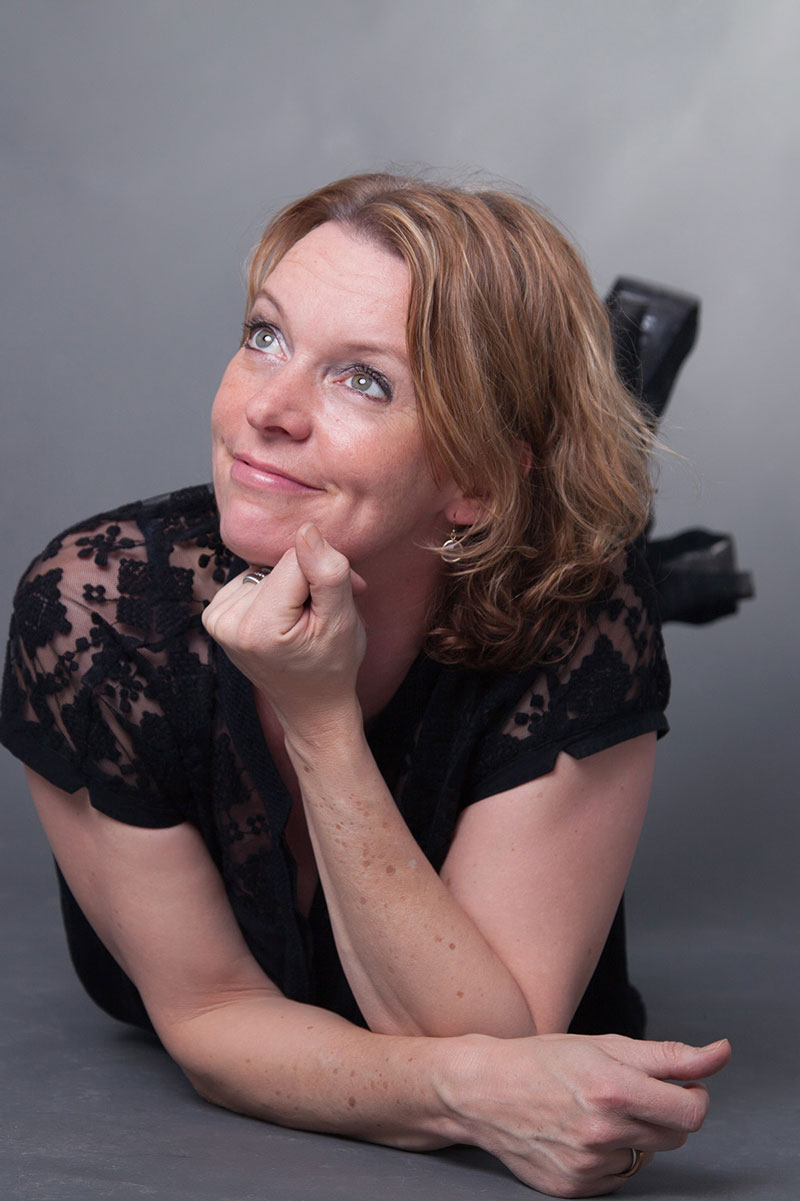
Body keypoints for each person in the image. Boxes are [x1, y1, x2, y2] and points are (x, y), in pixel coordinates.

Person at [0, 172, 729, 1197]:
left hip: (512, 563)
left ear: (476, 480)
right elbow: (214, 1017)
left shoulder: (583, 618)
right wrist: (463, 1091)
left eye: (365, 381)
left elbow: (496, 1034)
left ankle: (607, 447)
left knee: (597, 561)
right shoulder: (96, 613)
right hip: (469, 522)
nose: (266, 408)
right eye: (265, 336)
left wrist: (320, 722)